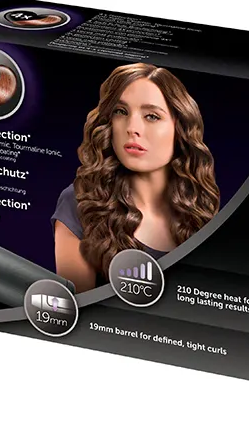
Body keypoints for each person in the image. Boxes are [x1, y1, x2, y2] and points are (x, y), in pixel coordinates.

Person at [52, 63, 220, 292]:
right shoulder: (79, 204)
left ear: (180, 128)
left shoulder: (201, 208)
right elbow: (79, 307)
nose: (132, 128)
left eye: (151, 116)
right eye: (121, 112)